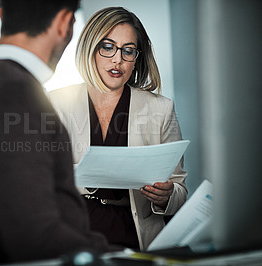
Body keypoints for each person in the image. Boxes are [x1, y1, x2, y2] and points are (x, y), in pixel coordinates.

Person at [0, 0, 116, 263]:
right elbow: (35, 237)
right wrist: (120, 255)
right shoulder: (16, 96)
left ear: (2, 16)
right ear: (65, 23)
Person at [48, 7, 188, 251]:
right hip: (73, 234)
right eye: (108, 47)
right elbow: (39, 182)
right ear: (90, 49)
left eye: (128, 51)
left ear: (137, 57)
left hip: (134, 236)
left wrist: (166, 196)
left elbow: (180, 191)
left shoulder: (161, 109)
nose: (118, 60)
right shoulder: (54, 103)